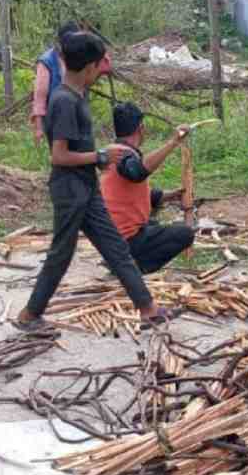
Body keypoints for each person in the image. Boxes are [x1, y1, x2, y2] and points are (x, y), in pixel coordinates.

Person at [13, 32, 171, 333]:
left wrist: (98, 160)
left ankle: (148, 310)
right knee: (62, 253)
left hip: (86, 186)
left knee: (115, 248)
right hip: (69, 189)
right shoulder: (62, 101)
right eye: (99, 65)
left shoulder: (78, 96)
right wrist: (101, 155)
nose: (101, 72)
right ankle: (29, 316)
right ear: (88, 68)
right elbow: (58, 156)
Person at [100, 102, 197, 275]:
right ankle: (131, 269)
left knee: (154, 225)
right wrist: (173, 142)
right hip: (124, 240)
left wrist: (171, 195)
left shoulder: (112, 152)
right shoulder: (122, 154)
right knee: (184, 234)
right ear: (141, 128)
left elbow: (139, 194)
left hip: (111, 239)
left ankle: (124, 263)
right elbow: (136, 172)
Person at [31, 20, 112, 145]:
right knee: (64, 152)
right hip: (58, 114)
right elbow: (40, 96)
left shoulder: (82, 57)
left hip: (76, 110)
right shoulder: (47, 61)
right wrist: (38, 127)